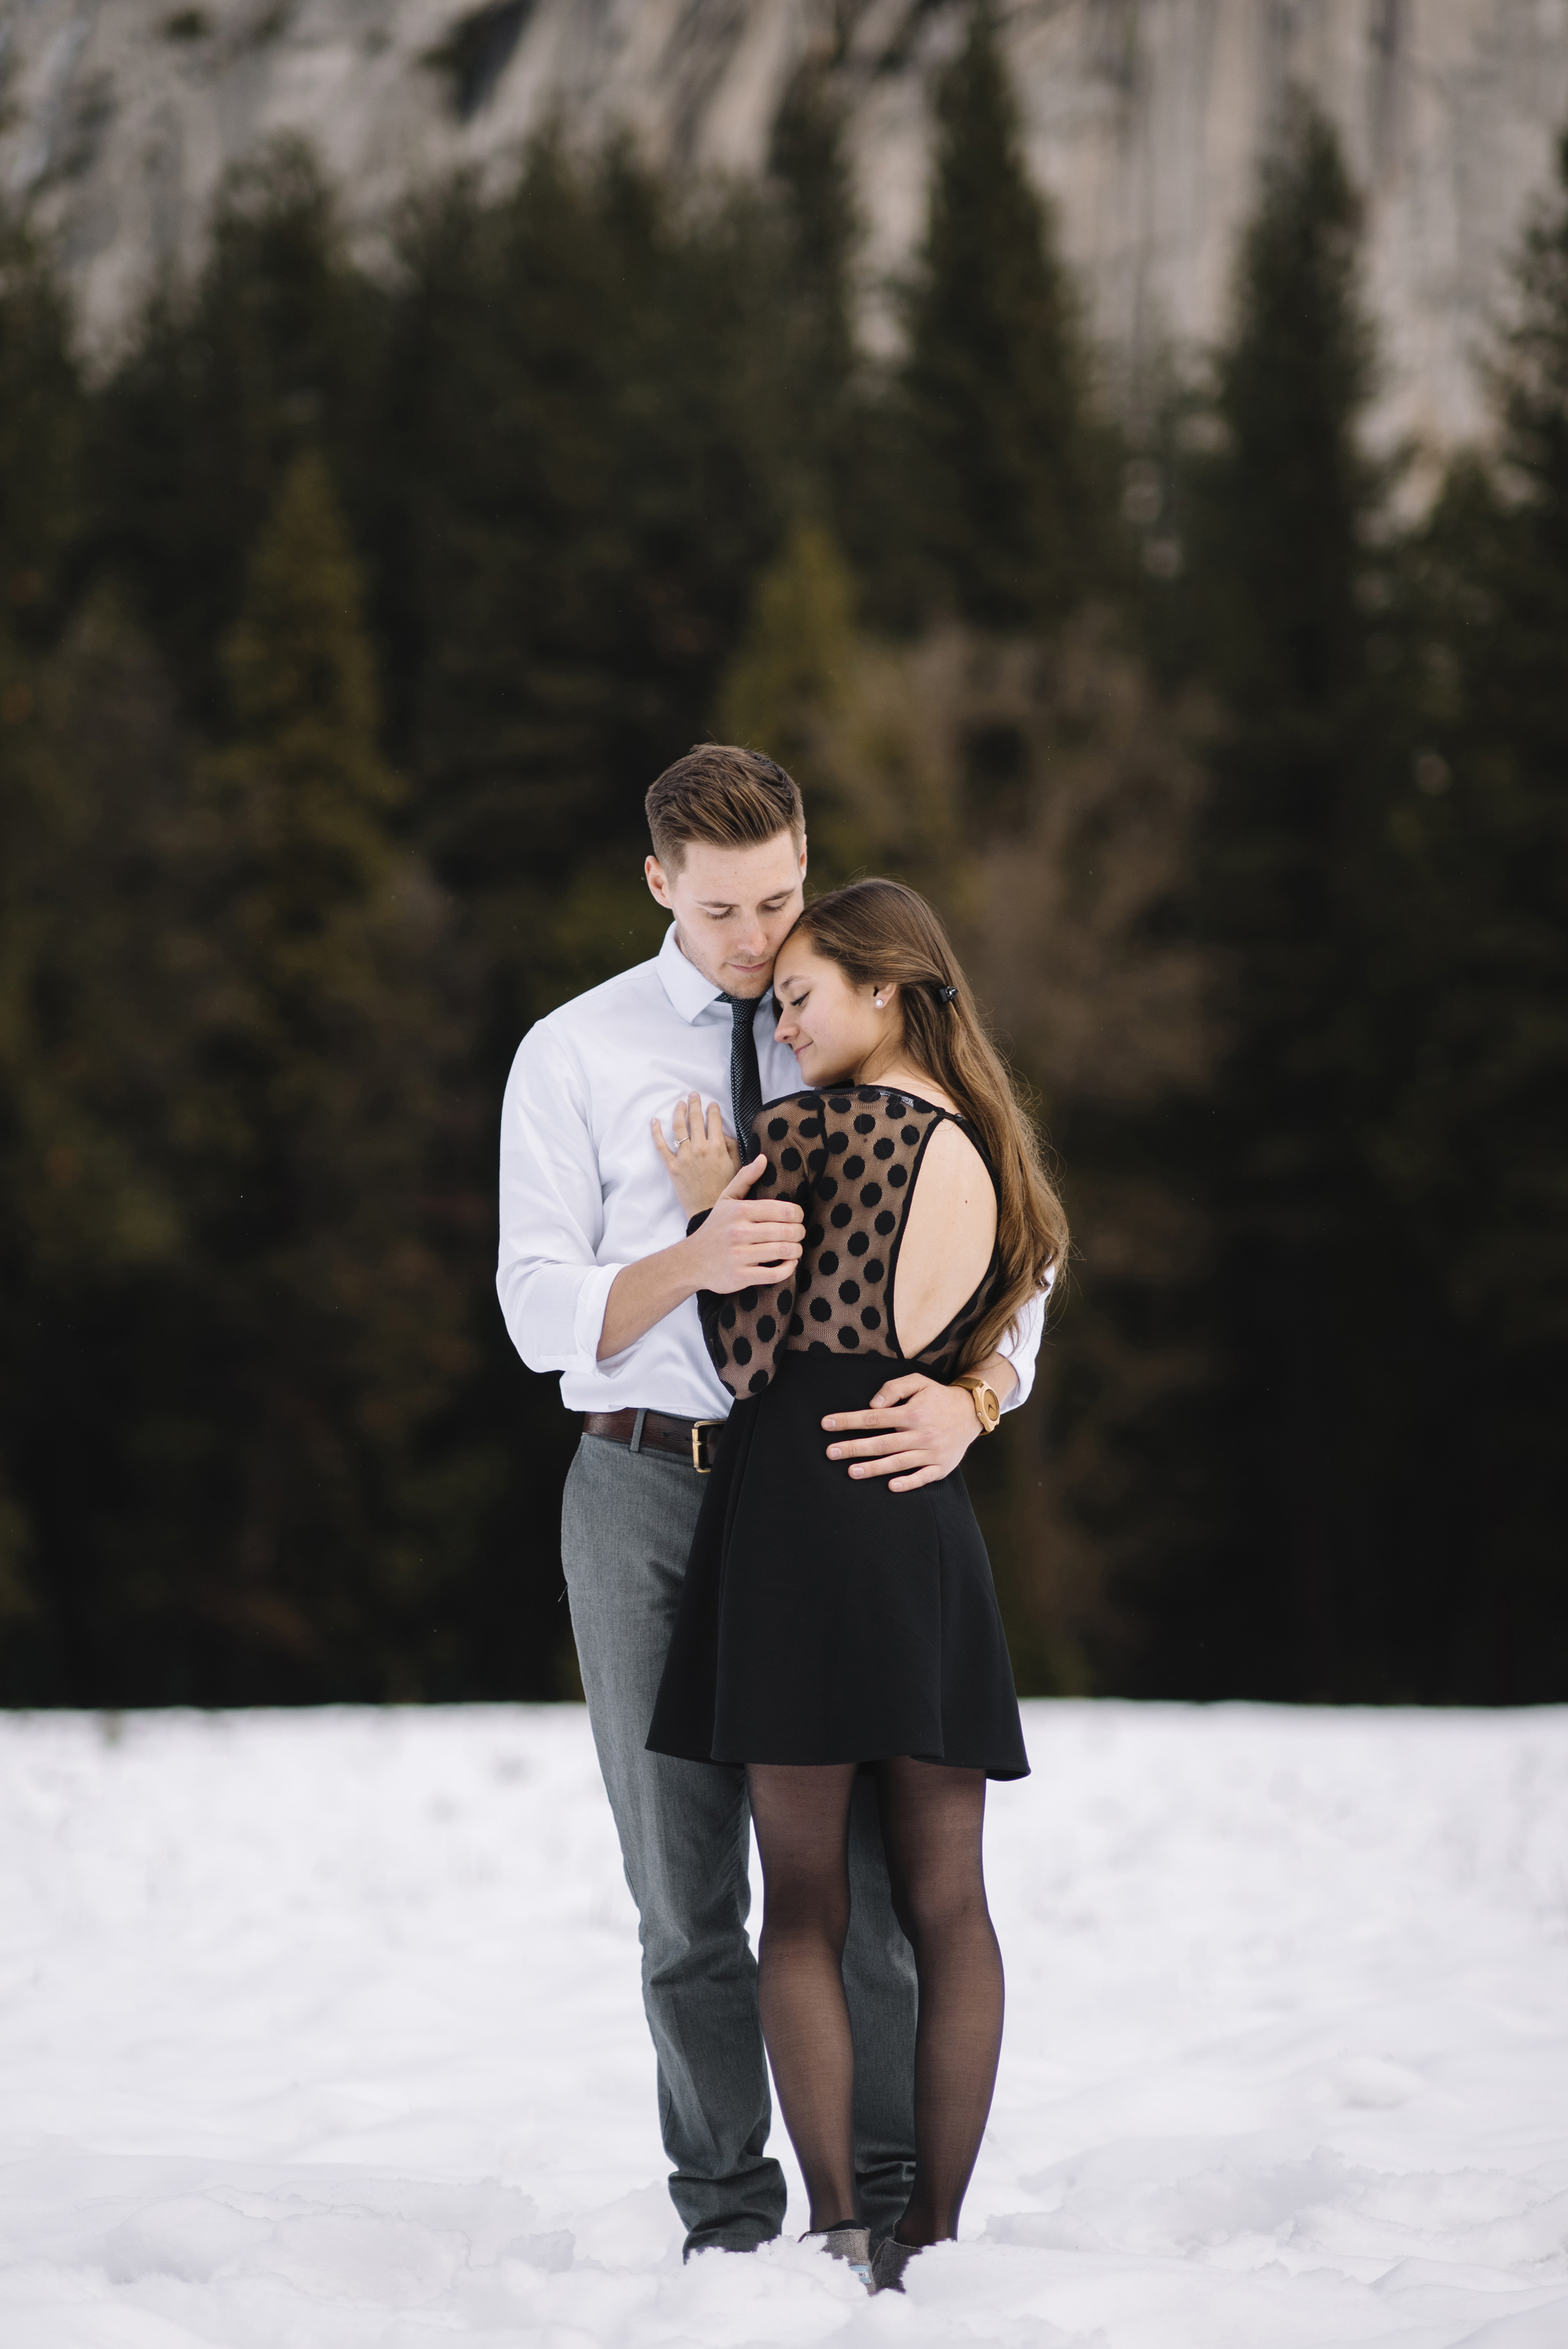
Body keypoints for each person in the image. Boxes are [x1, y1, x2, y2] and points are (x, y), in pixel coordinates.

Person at [497, 746, 1046, 2259]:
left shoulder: (857, 1018)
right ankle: (730, 2218)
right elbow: (535, 1303)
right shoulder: (577, 1051)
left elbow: (1012, 1247)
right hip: (643, 1483)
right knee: (684, 1894)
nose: (756, 943)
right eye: (727, 906)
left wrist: (974, 1395)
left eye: (782, 900)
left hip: (830, 1486)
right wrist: (696, 1252)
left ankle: (872, 2205)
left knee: (863, 1884)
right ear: (660, 882)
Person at [647, 876, 1066, 2293]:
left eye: (802, 995)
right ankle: (934, 2237)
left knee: (808, 1902)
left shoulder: (814, 1132)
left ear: (887, 986)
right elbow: (1000, 1325)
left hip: (799, 1520)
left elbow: (753, 1355)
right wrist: (978, 1397)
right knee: (950, 1902)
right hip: (923, 1523)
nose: (783, 1023)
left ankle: (837, 2231)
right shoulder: (991, 1147)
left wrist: (716, 1206)